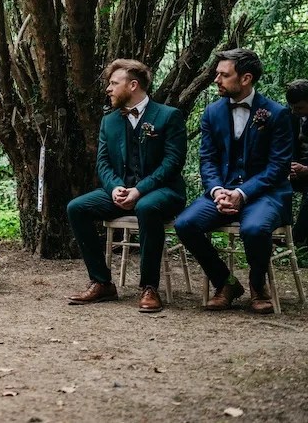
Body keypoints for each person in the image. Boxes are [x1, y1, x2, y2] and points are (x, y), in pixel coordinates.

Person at [175, 49, 294, 314]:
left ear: (246, 79)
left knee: (253, 229)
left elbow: (278, 167)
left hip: (265, 194)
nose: (216, 79)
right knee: (185, 224)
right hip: (222, 190)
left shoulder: (277, 114)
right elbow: (207, 160)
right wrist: (217, 191)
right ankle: (226, 283)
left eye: (223, 74)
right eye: (217, 73)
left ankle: (257, 285)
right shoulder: (212, 113)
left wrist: (242, 192)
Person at [65, 59, 187, 312]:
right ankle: (102, 282)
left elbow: (172, 163)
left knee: (146, 207)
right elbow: (103, 163)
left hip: (161, 193)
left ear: (133, 85)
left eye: (113, 83)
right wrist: (115, 188)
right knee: (76, 208)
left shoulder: (168, 116)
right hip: (121, 191)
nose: (108, 89)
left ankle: (149, 287)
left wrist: (139, 190)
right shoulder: (109, 121)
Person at [285, 79, 308, 246]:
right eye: (292, 107)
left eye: (299, 107)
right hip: (296, 170)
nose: (295, 111)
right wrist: (289, 167)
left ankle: (297, 240)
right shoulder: (291, 116)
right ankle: (279, 231)